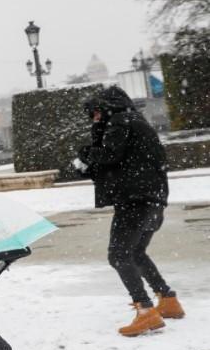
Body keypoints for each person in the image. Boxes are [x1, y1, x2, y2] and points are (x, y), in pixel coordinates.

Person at [75, 86, 184, 336]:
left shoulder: (119, 121)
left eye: (95, 114)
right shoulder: (135, 121)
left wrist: (86, 153)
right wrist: (90, 164)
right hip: (154, 199)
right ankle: (168, 301)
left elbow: (111, 155)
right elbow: (122, 161)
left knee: (118, 255)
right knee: (135, 252)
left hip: (135, 201)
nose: (94, 119)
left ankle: (146, 312)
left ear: (105, 108)